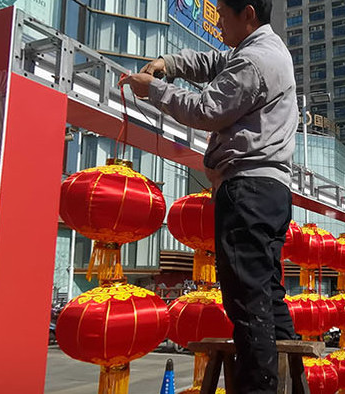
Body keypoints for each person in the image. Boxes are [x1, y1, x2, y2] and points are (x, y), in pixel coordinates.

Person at [119, 0, 299, 392]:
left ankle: (260, 388)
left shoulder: (253, 62)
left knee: (247, 300)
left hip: (247, 190)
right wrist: (171, 63)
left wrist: (154, 89)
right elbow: (212, 62)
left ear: (247, 13)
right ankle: (291, 381)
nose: (217, 24)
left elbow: (206, 109)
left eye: (222, 16)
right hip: (269, 190)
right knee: (267, 293)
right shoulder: (262, 52)